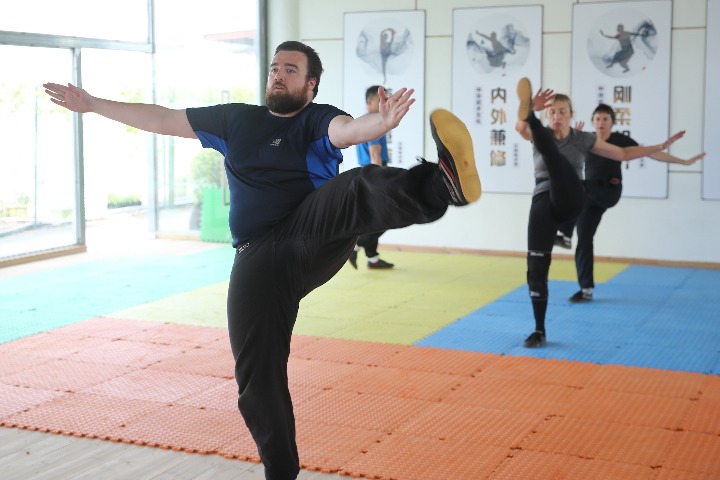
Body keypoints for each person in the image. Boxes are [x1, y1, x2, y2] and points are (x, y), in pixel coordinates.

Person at [44, 40, 481, 480]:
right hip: (255, 257)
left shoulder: (316, 118)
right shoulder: (237, 120)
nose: (278, 74)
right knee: (256, 380)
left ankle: (440, 187)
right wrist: (93, 104)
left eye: (291, 70)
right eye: (275, 67)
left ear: (310, 85)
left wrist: (378, 124)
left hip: (309, 234)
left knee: (355, 186)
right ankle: (281, 473)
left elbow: (347, 131)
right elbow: (162, 118)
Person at [514, 77, 686, 348]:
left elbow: (622, 153)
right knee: (536, 267)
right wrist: (526, 111)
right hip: (543, 202)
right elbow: (519, 128)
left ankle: (565, 230)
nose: (557, 116)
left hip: (571, 197)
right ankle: (539, 330)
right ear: (547, 114)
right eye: (552, 112)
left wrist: (659, 147)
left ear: (571, 115)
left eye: (562, 112)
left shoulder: (582, 138)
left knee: (559, 166)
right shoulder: (539, 135)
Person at [555, 103, 705, 303]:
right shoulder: (586, 139)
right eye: (598, 119)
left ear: (612, 123)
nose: (601, 123)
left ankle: (564, 233)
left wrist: (683, 161)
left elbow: (649, 152)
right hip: (589, 198)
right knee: (584, 239)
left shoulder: (620, 140)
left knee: (579, 186)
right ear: (593, 122)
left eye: (605, 119)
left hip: (608, 190)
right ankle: (586, 289)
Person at [348, 85, 394, 270]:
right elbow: (375, 154)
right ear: (369, 102)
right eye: (381, 99)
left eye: (387, 99)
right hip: (374, 174)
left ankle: (373, 259)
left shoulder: (365, 121)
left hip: (366, 173)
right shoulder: (375, 122)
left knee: (374, 216)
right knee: (387, 216)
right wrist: (381, 181)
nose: (386, 102)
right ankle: (356, 245)